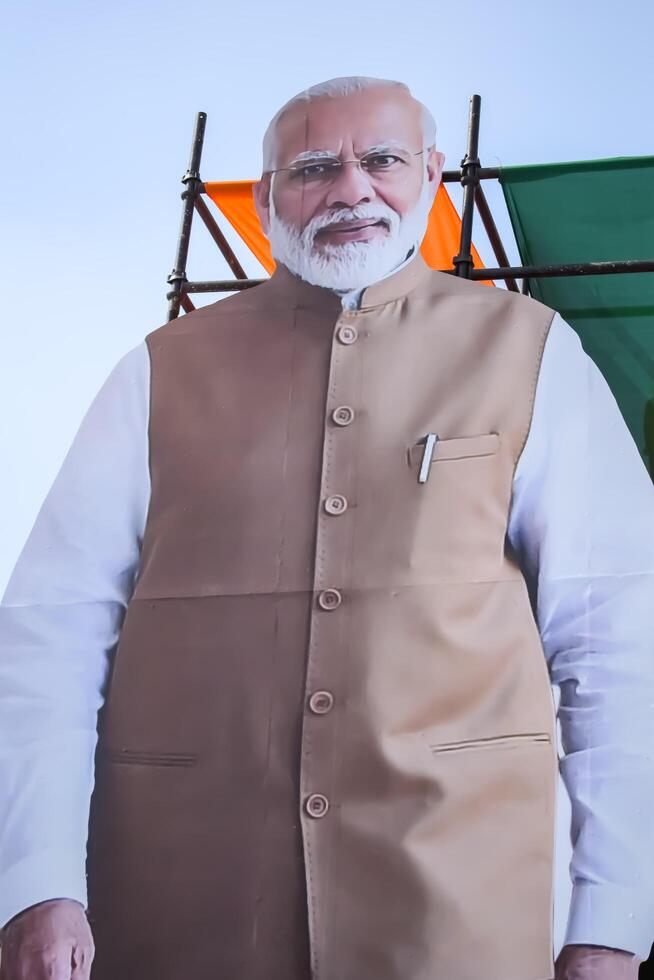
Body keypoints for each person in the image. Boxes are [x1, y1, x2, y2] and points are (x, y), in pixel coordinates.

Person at [0, 76, 652, 980]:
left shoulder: (532, 350)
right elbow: (49, 632)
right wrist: (36, 884)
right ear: (267, 199)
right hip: (182, 893)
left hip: (465, 899)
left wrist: (610, 919)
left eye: (380, 159)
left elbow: (617, 644)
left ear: (430, 173)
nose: (351, 189)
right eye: (313, 168)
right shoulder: (157, 372)